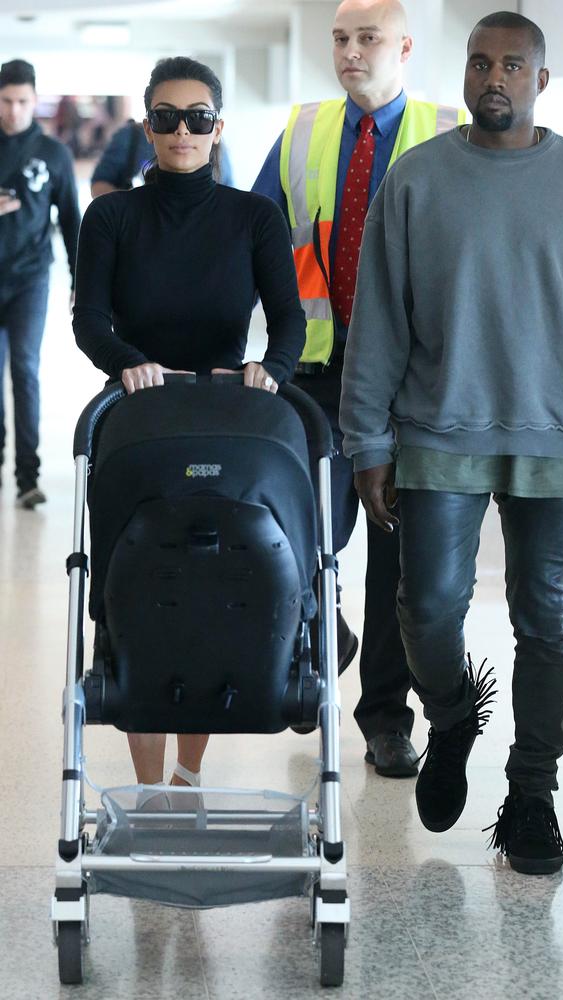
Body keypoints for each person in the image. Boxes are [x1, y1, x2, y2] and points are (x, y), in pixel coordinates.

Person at [340, 10, 563, 873]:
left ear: (541, 81)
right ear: (465, 73)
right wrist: (367, 439)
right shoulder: (418, 180)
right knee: (427, 608)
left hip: (555, 439)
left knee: (544, 621)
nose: (495, 79)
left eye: (514, 66)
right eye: (481, 63)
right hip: (438, 428)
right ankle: (449, 718)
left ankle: (532, 794)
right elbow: (379, 321)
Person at [74, 56, 305, 788]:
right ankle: (148, 788)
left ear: (218, 127)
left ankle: (188, 775)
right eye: (167, 117)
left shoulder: (253, 218)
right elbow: (88, 320)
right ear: (147, 127)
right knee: (138, 594)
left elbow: (291, 321)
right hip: (140, 421)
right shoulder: (111, 217)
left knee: (215, 591)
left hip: (225, 422)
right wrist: (128, 362)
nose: (183, 130)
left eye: (198, 117)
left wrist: (273, 372)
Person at [253, 0, 464, 778]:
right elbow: (257, 234)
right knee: (302, 529)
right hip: (316, 367)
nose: (349, 52)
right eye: (340, 38)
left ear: (403, 46)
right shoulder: (304, 131)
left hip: (411, 380)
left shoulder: (447, 131)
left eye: (366, 38)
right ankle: (318, 644)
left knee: (394, 548)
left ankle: (383, 720)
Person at [0, 59, 80, 508]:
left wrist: (79, 279)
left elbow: (71, 219)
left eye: (22, 102)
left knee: (24, 371)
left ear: (34, 100)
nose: (14, 111)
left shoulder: (52, 153)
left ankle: (27, 477)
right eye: (7, 101)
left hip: (30, 278)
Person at [90, 118, 235, 197]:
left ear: (217, 131)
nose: (181, 129)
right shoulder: (130, 137)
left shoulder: (212, 142)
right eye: (167, 113)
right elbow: (99, 185)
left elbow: (228, 194)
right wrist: (132, 206)